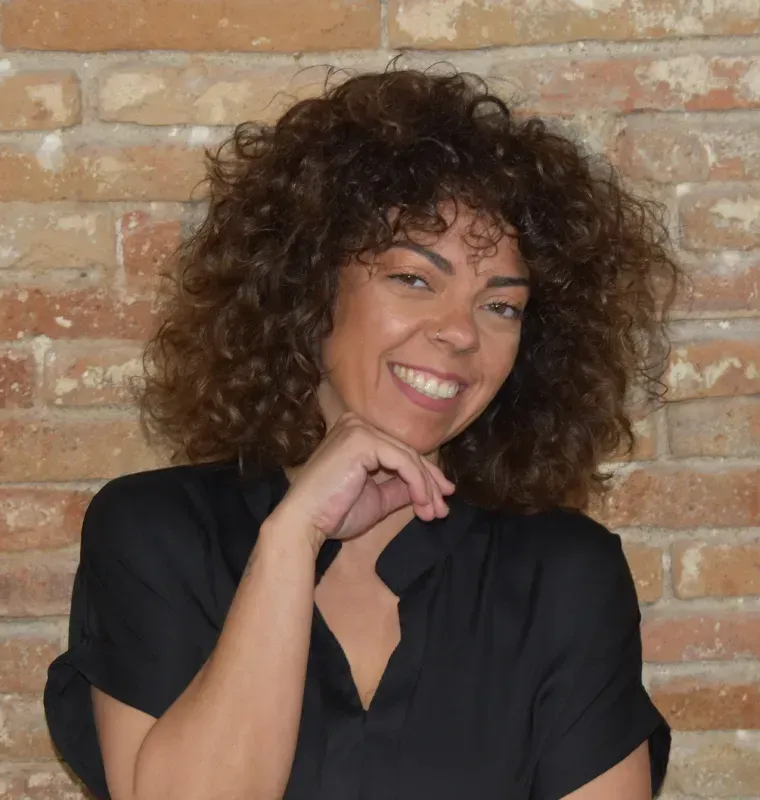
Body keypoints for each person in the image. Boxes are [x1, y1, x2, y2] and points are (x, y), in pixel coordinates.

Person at [44, 63, 680, 800]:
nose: (459, 334)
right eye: (414, 279)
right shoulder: (157, 534)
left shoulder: (563, 575)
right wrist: (291, 539)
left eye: (500, 307)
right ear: (310, 287)